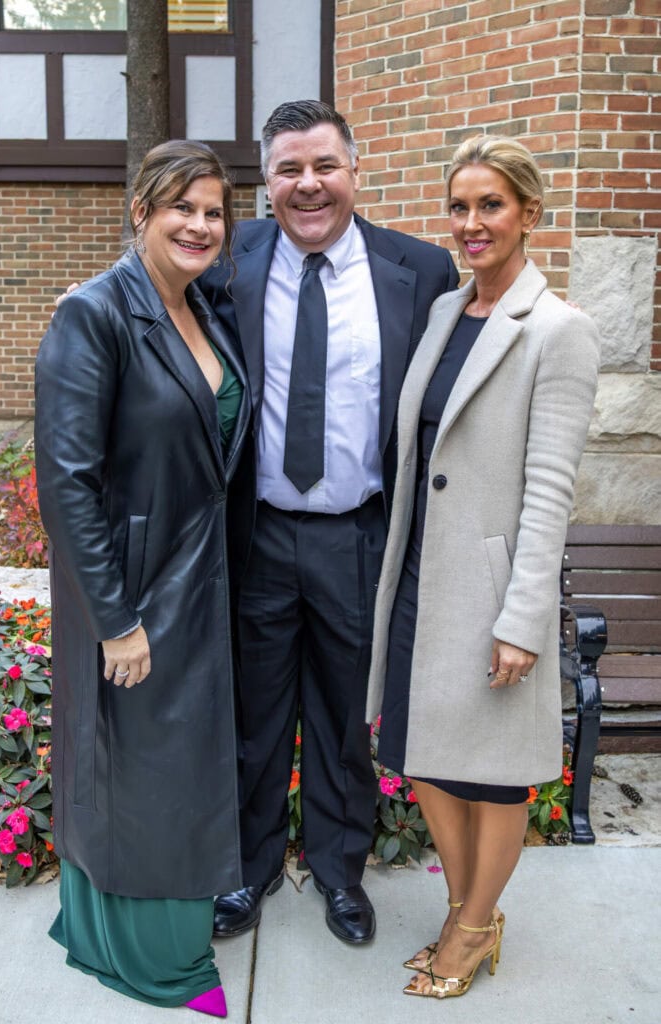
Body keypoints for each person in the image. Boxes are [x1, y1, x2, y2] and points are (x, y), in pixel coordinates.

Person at [199, 100, 459, 944]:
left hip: (359, 535)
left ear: (354, 170)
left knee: (347, 720)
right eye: (288, 169)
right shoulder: (225, 260)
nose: (307, 185)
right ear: (266, 180)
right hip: (258, 533)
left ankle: (340, 874)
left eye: (323, 166)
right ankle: (249, 869)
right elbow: (148, 293)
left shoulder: (419, 270)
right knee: (254, 717)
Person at [365, 134, 601, 998]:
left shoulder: (559, 331)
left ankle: (470, 930)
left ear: (527, 213)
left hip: (491, 587)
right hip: (418, 576)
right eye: (459, 206)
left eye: (490, 205)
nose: (471, 223)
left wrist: (522, 618)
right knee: (425, 756)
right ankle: (465, 910)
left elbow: (550, 488)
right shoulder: (442, 314)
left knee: (492, 775)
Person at [35, 140, 250, 1017]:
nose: (199, 225)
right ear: (141, 213)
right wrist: (114, 620)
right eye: (180, 208)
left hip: (199, 573)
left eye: (213, 212)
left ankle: (149, 936)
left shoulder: (202, 307)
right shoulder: (94, 315)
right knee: (142, 769)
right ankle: (156, 962)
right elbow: (66, 483)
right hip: (131, 584)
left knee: (174, 766)